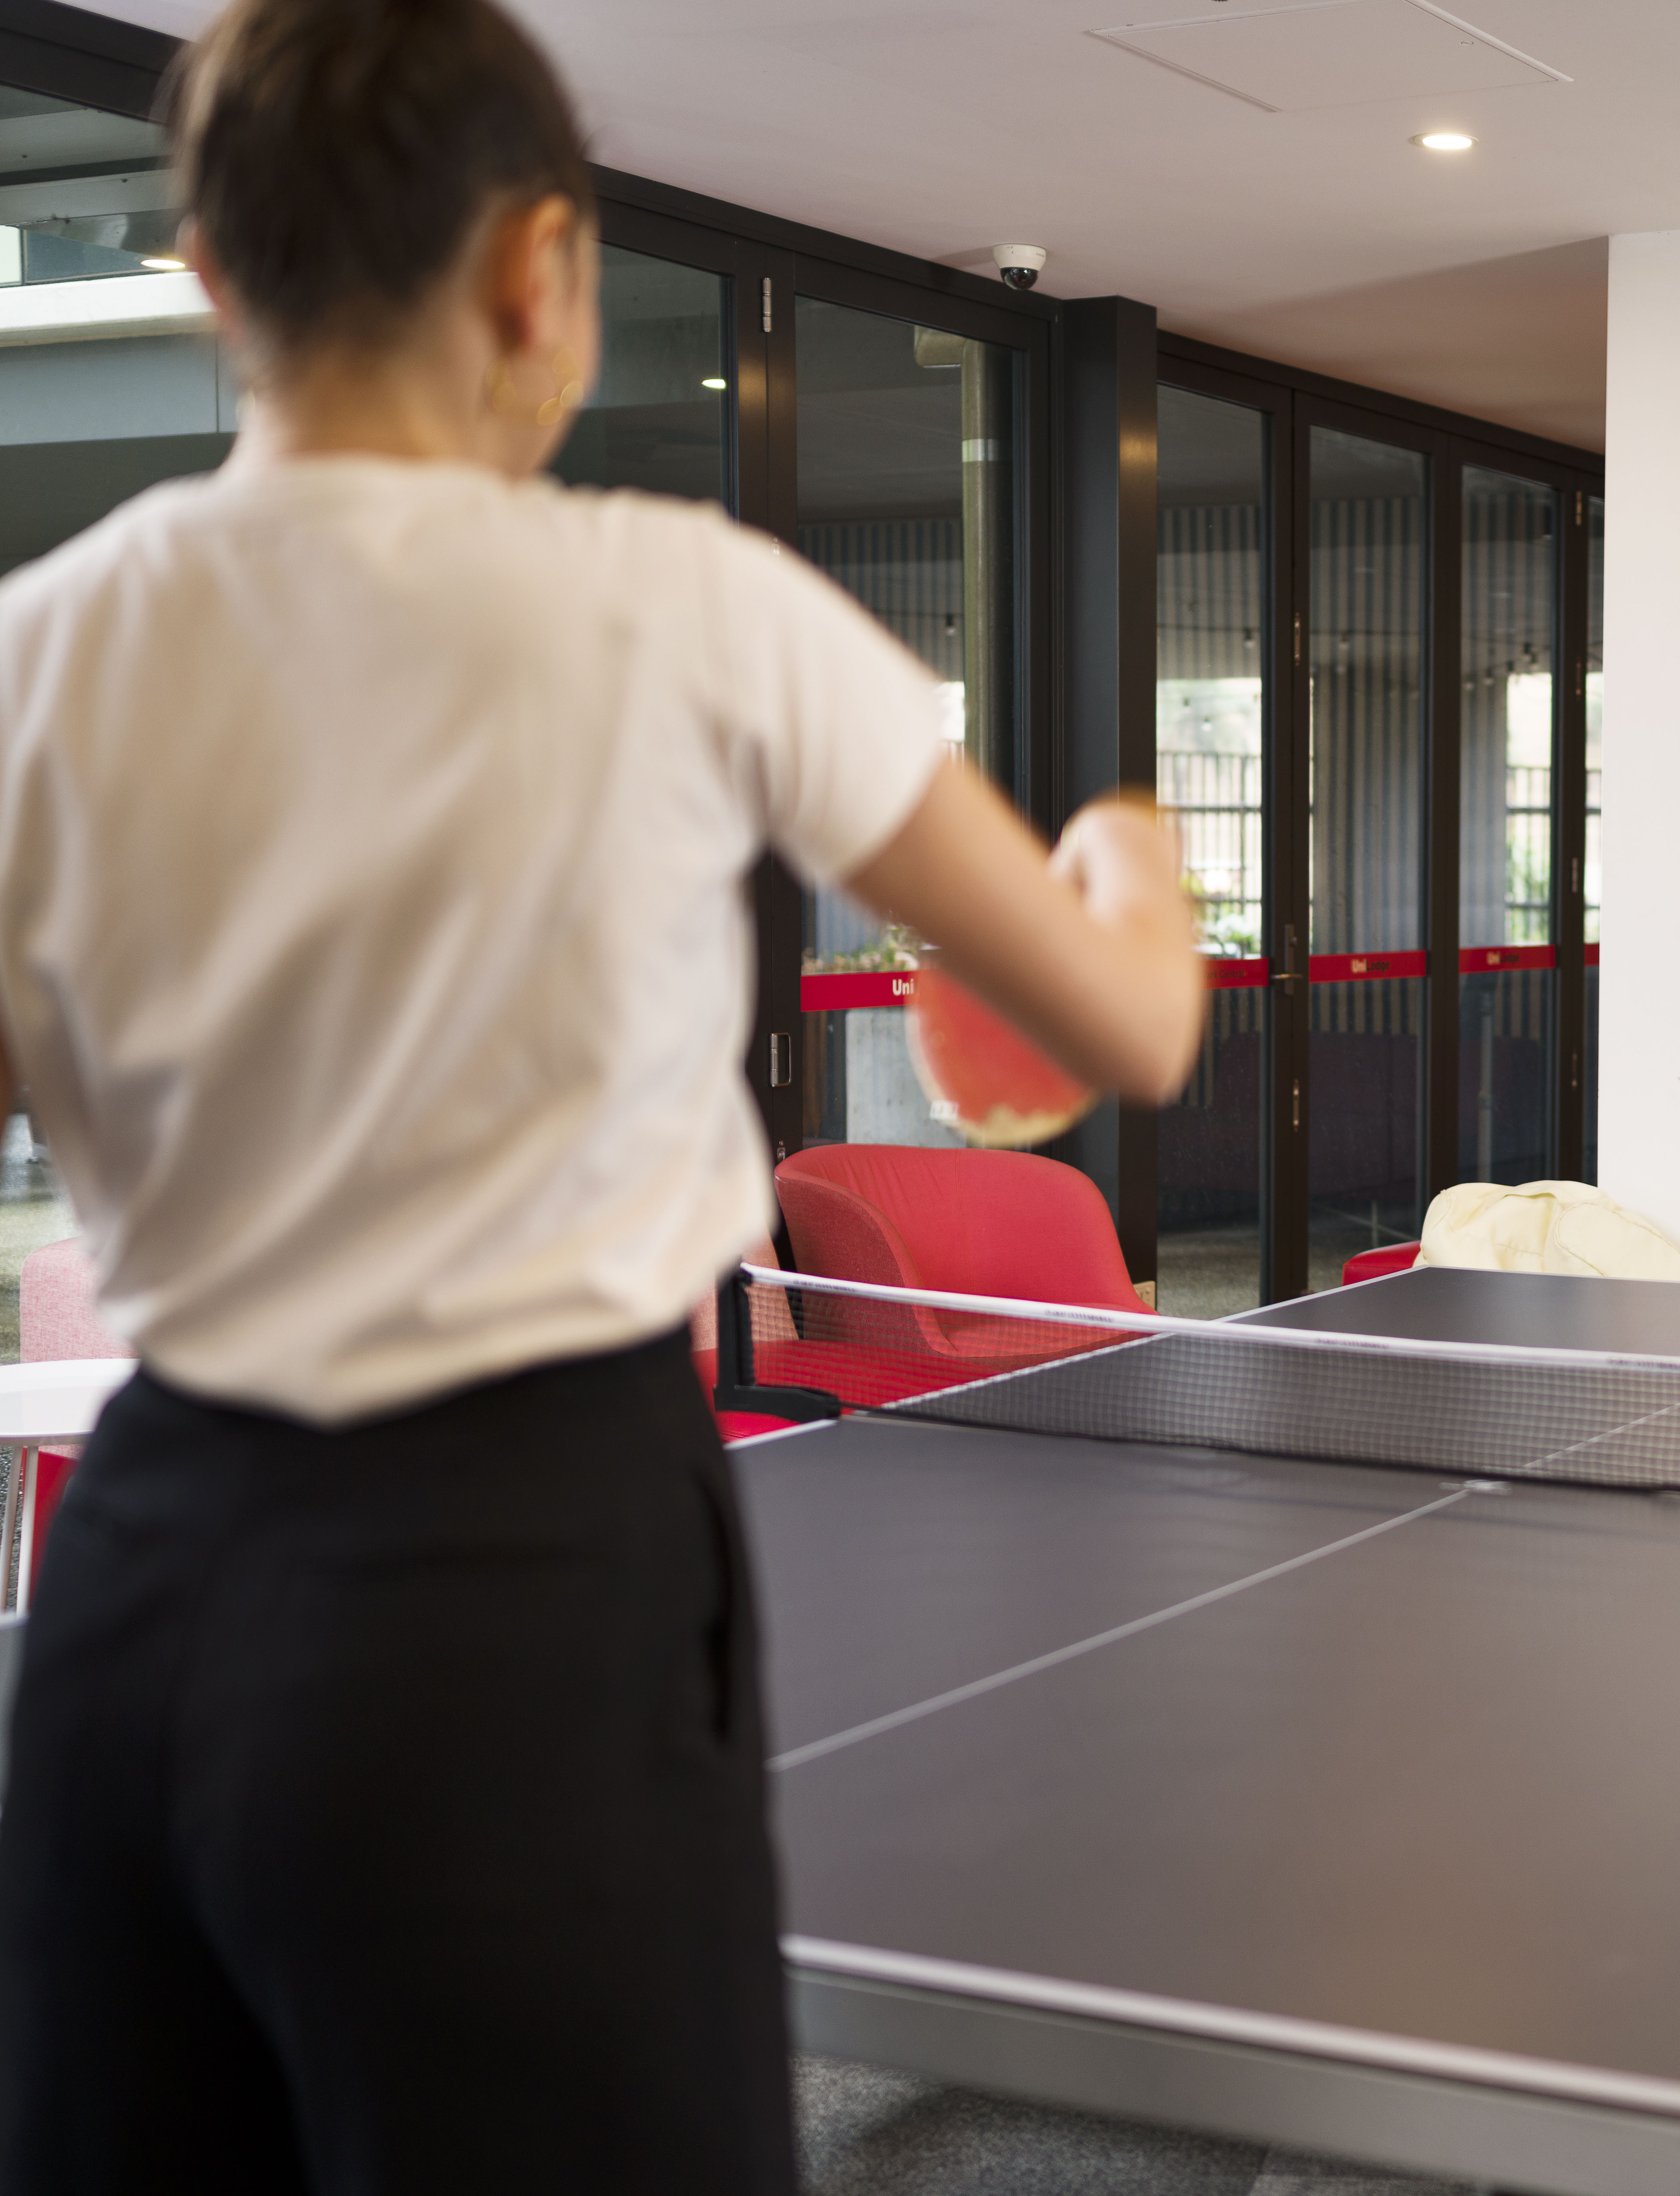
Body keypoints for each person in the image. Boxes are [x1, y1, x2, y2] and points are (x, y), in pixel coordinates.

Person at [0, 0, 1205, 2186]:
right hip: (513, 1604)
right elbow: (1124, 1024)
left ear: (204, 280)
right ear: (539, 272)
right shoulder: (690, 607)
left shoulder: (40, 648)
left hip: (134, 1610)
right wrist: (1135, 856)